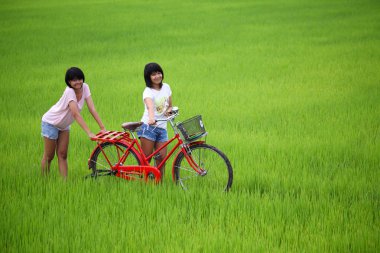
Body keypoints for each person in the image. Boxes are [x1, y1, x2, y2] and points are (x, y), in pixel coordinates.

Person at [41, 67, 105, 178]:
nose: (78, 82)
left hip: (64, 125)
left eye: (80, 79)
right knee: (49, 156)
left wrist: (102, 127)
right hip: (51, 123)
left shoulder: (85, 87)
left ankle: (64, 184)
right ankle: (44, 182)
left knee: (63, 154)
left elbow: (92, 109)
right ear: (69, 82)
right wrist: (89, 132)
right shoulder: (69, 91)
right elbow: (75, 114)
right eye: (74, 80)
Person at [137, 63, 172, 177]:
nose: (157, 76)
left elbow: (170, 105)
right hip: (149, 128)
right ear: (148, 77)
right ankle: (144, 185)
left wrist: (169, 110)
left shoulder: (166, 87)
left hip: (162, 128)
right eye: (153, 74)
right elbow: (150, 106)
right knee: (146, 160)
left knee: (161, 160)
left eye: (158, 73)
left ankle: (159, 186)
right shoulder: (148, 91)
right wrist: (152, 118)